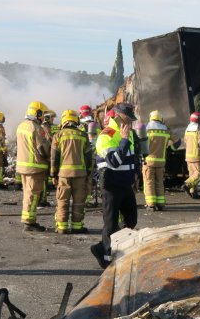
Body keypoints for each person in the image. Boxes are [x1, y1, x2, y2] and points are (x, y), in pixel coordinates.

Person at [91, 103, 140, 268]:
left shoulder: (127, 132)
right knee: (110, 224)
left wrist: (136, 174)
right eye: (128, 118)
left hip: (125, 183)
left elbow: (132, 157)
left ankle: (106, 246)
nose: (131, 122)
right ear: (117, 116)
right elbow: (114, 162)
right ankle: (105, 258)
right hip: (111, 185)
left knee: (131, 220)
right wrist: (124, 141)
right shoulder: (106, 135)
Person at [50, 109, 94, 234]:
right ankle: (77, 226)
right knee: (79, 201)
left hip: (63, 175)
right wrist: (89, 172)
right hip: (80, 175)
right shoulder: (83, 135)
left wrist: (53, 174)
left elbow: (54, 158)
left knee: (62, 200)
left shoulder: (57, 135)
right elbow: (88, 157)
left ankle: (62, 227)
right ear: (76, 120)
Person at [16, 101, 50, 232]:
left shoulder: (21, 126)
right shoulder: (37, 128)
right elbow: (42, 148)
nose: (43, 117)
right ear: (38, 113)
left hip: (23, 167)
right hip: (35, 167)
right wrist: (50, 155)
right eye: (42, 114)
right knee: (33, 195)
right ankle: (30, 222)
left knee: (27, 193)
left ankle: (27, 219)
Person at [142, 111, 171, 211]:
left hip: (148, 161)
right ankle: (161, 203)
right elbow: (176, 143)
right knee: (159, 182)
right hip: (161, 162)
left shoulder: (146, 129)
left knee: (149, 182)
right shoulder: (166, 130)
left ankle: (151, 204)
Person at [182, 111, 200, 199]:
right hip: (197, 156)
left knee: (193, 175)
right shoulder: (199, 131)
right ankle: (186, 185)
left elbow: (185, 141)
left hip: (188, 156)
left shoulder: (187, 130)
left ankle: (193, 193)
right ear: (199, 121)